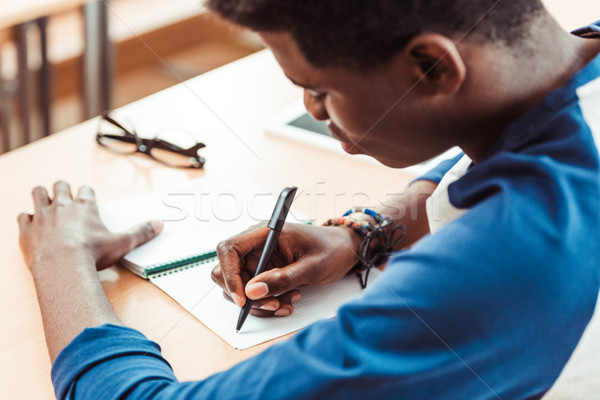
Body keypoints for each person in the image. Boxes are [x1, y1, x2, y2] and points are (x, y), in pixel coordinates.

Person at [17, 1, 600, 399]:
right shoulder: (568, 68)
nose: (316, 112)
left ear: (432, 66)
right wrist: (364, 232)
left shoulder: (507, 260)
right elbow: (492, 153)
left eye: (320, 90)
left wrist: (62, 259)